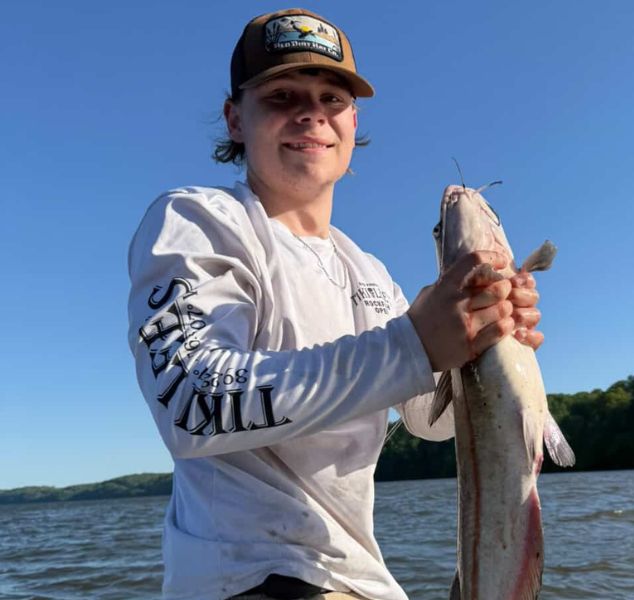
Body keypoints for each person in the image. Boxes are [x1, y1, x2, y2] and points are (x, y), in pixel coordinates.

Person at [127, 8, 543, 600]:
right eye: (281, 95)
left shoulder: (366, 270)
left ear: (352, 121)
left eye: (332, 98)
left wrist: (482, 346)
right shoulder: (199, 221)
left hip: (364, 581)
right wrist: (415, 343)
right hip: (252, 578)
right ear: (235, 118)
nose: (311, 114)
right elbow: (192, 403)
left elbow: (429, 422)